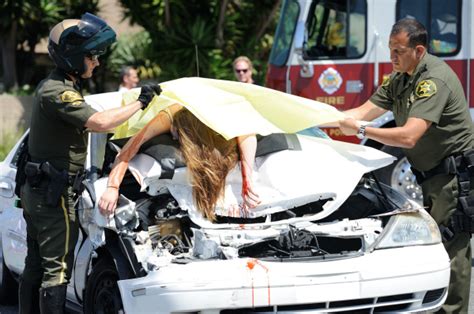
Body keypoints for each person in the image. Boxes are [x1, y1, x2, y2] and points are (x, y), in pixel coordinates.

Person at [19, 13, 162, 314]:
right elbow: (98, 122)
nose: (96, 62)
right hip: (53, 195)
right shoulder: (58, 91)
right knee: (57, 271)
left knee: (36, 265)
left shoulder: (59, 84)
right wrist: (141, 102)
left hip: (41, 189)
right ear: (73, 57)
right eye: (92, 56)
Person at [339, 18, 473, 313]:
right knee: (433, 246)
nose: (392, 57)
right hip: (429, 176)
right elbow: (362, 112)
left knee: (452, 247)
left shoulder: (432, 80)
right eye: (390, 49)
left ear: (419, 50)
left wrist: (362, 130)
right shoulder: (400, 78)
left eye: (398, 51)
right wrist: (312, 119)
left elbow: (409, 136)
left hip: (452, 177)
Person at [98, 104, 260, 221]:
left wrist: (248, 178)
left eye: (176, 135)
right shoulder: (167, 117)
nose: (174, 138)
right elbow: (128, 149)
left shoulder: (223, 115)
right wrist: (113, 187)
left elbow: (247, 133)